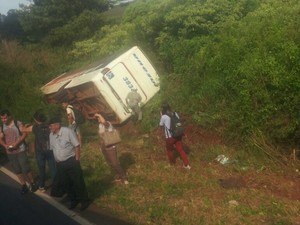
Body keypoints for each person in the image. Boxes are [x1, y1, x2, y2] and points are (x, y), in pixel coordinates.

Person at [48, 116, 90, 211]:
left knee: (78, 182)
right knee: (66, 183)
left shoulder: (67, 132)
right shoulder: (51, 135)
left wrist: (77, 159)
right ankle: (73, 199)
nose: (49, 128)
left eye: (51, 126)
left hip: (71, 161)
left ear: (57, 125)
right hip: (60, 164)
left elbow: (77, 145)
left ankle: (84, 200)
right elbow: (53, 148)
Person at [0, 109, 37, 194]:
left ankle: (32, 183)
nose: (3, 120)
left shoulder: (18, 123)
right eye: (2, 119)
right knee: (17, 169)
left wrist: (17, 143)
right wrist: (5, 145)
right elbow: (0, 138)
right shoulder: (2, 127)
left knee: (25, 167)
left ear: (9, 116)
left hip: (20, 149)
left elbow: (24, 133)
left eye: (5, 118)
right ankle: (23, 185)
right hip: (10, 152)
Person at [21, 111, 56, 192]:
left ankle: (41, 186)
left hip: (40, 151)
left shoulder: (35, 127)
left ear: (36, 120)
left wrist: (24, 125)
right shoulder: (50, 126)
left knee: (41, 169)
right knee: (53, 168)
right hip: (50, 149)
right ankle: (57, 186)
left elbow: (23, 130)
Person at [94, 113, 129, 185]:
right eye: (97, 118)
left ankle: (124, 177)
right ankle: (118, 176)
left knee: (115, 163)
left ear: (103, 117)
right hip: (104, 146)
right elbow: (101, 136)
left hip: (111, 147)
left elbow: (104, 122)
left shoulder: (108, 124)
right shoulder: (100, 125)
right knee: (110, 163)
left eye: (99, 118)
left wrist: (99, 115)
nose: (98, 120)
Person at [159, 104, 191, 169]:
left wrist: (161, 116)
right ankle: (187, 165)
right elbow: (178, 121)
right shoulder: (175, 113)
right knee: (181, 149)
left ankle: (172, 164)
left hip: (170, 137)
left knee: (169, 150)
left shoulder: (164, 116)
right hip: (178, 134)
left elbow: (161, 125)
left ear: (163, 110)